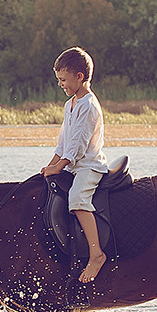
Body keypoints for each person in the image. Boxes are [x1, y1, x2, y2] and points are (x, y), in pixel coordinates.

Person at [40, 46, 110, 283]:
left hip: (88, 166)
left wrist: (59, 168)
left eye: (63, 79)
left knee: (78, 199)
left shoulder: (88, 105)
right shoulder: (70, 104)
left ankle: (96, 254)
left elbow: (78, 146)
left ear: (79, 77)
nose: (60, 84)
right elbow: (62, 144)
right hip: (71, 164)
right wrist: (48, 168)